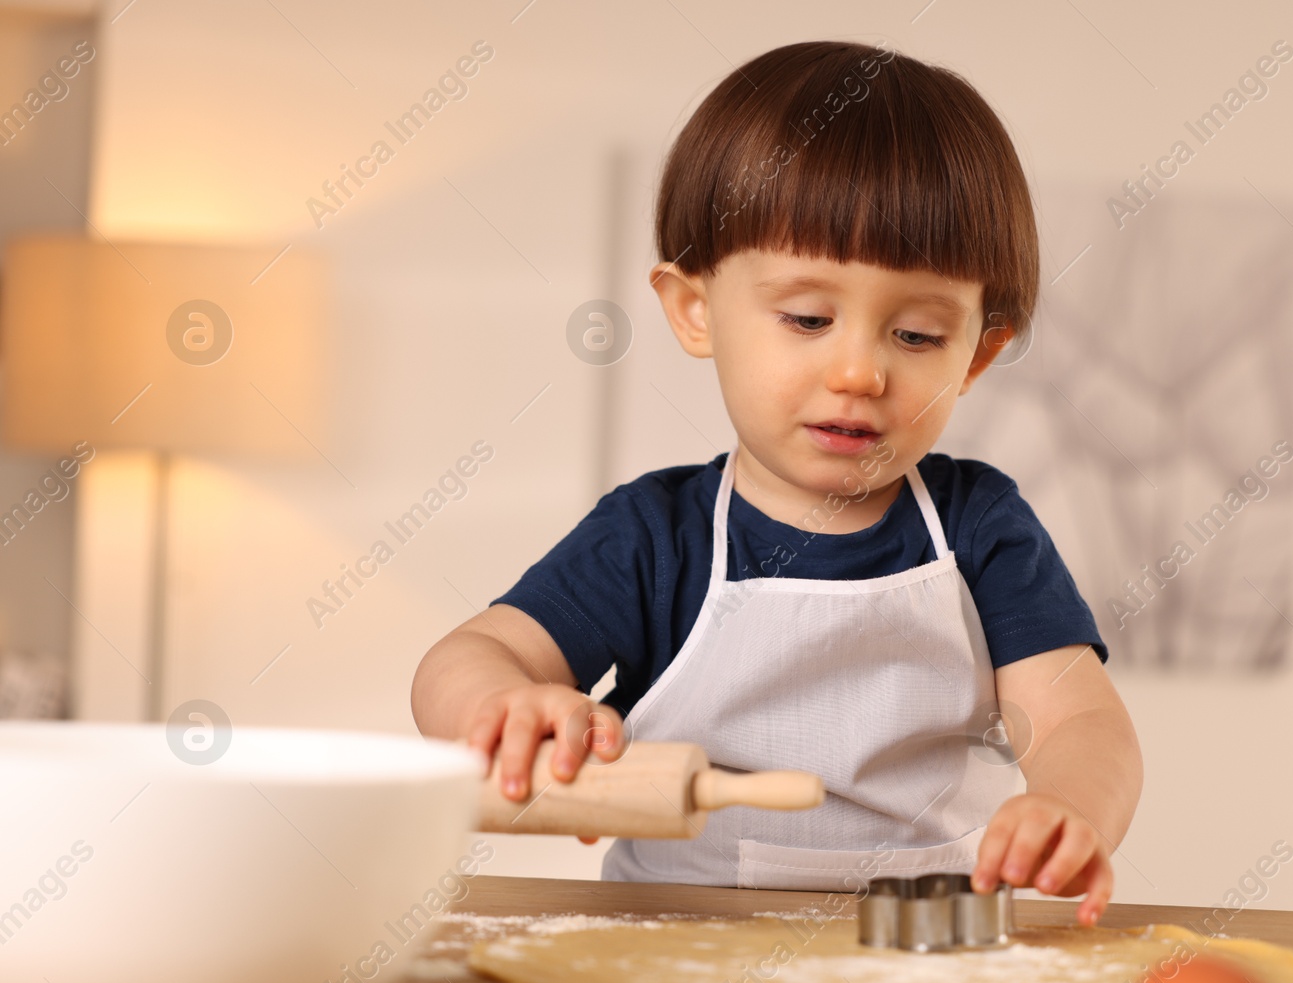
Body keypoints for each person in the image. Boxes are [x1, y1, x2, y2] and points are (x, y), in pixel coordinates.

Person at [412, 39, 1141, 925]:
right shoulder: (655, 534)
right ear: (695, 310)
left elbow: (1079, 726)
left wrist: (1070, 809)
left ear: (978, 353)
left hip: (924, 971)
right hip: (664, 968)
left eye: (916, 335)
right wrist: (505, 703)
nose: (860, 373)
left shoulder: (979, 527)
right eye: (807, 317)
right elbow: (463, 660)